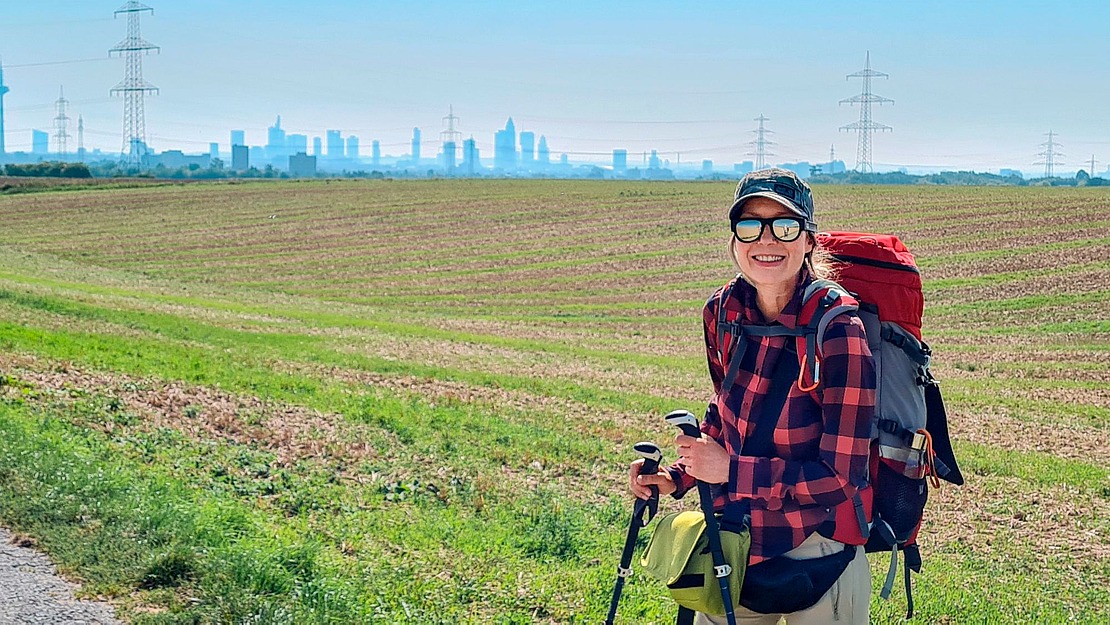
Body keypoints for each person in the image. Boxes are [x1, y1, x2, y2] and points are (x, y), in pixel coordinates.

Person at [630, 169, 876, 624]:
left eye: (784, 226)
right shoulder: (722, 313)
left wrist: (732, 471)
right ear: (734, 240)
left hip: (816, 548)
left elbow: (841, 479)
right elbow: (727, 418)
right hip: (738, 539)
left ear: (808, 241)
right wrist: (676, 477)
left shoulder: (838, 330)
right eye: (750, 226)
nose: (766, 240)